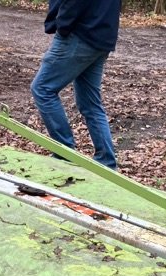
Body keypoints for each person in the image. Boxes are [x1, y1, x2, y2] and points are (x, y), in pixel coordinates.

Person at [30, 0, 121, 170]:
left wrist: (62, 26)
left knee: (42, 89)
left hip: (80, 35)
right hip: (102, 36)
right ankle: (107, 163)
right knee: (90, 103)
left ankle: (64, 152)